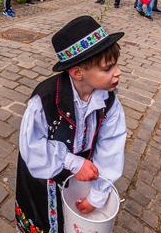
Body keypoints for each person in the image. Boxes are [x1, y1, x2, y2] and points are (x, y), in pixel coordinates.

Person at [15, 15, 127, 233]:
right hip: (44, 174)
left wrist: (96, 196)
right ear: (77, 73)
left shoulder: (109, 100)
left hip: (84, 177)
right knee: (44, 222)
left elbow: (111, 146)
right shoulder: (44, 101)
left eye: (116, 64)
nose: (117, 72)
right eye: (107, 68)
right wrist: (73, 163)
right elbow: (31, 147)